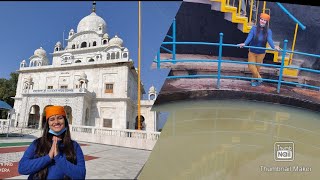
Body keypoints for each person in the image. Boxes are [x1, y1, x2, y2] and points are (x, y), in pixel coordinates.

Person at [18, 106, 86, 179]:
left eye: (60, 118)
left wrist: (58, 157)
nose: (56, 122)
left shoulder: (73, 146)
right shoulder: (38, 143)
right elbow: (22, 168)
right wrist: (48, 157)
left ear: (65, 121)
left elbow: (81, 175)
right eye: (52, 119)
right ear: (48, 124)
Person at [238, 13, 281, 87]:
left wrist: (274, 47)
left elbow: (269, 40)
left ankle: (254, 81)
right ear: (259, 20)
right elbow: (250, 37)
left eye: (264, 20)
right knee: (251, 67)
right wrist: (245, 43)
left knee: (257, 69)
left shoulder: (268, 31)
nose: (262, 21)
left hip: (261, 53)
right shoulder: (254, 28)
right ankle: (260, 79)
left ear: (266, 22)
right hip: (252, 51)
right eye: (261, 19)